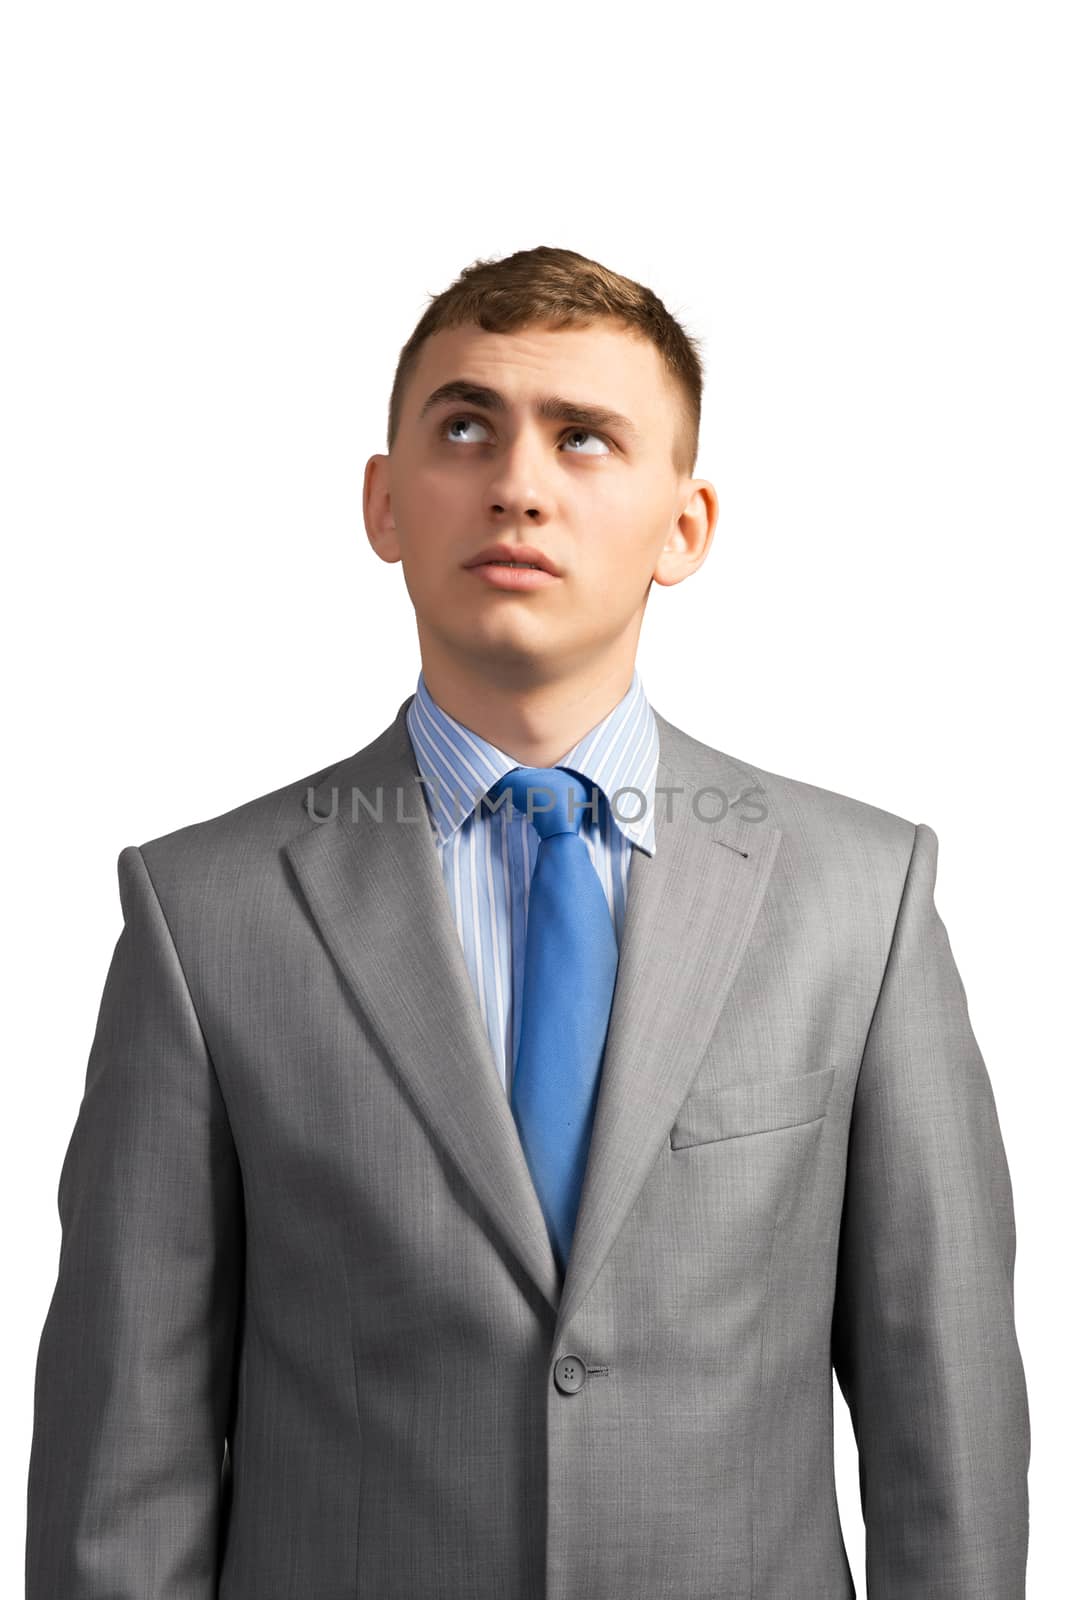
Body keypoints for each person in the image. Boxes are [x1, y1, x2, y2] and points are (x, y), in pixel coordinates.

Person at [25, 245, 1029, 1599]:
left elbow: (946, 1443)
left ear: (688, 525)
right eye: (463, 426)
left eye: (586, 438)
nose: (517, 483)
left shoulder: (866, 898)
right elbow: (119, 1479)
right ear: (384, 504)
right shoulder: (203, 913)